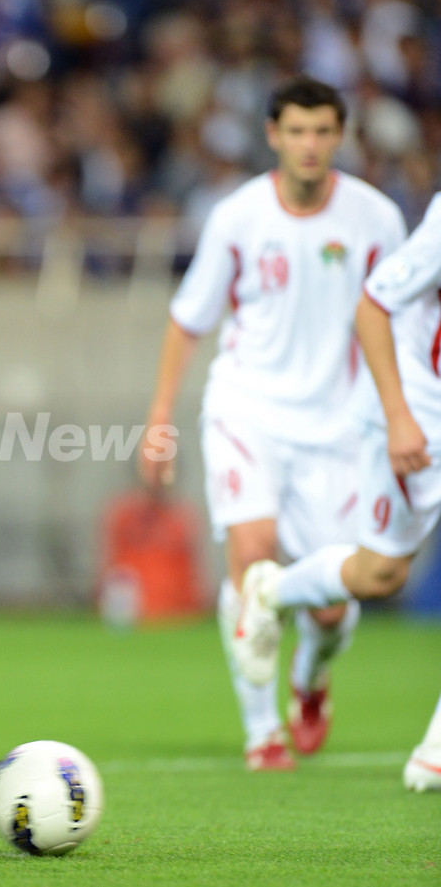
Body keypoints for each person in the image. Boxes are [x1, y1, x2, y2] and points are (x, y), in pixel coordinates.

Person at [139, 75, 407, 771]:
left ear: (339, 136)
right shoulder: (238, 217)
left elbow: (406, 319)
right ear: (273, 135)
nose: (309, 144)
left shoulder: (376, 219)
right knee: (251, 556)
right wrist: (161, 415)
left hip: (343, 429)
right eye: (296, 131)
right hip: (247, 409)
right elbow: (187, 317)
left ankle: (310, 681)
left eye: (322, 131)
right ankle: (261, 731)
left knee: (330, 607)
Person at [233, 192, 441, 792]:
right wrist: (400, 416)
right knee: (380, 573)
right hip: (420, 416)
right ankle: (272, 589)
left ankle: (432, 753)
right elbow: (374, 306)